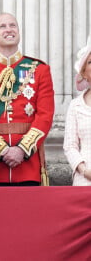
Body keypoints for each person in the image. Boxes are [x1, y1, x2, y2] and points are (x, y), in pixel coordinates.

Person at [0, 13, 55, 186]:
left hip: (28, 163)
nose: (9, 30)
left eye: (12, 25)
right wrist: (2, 149)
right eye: (3, 26)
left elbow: (45, 115)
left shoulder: (39, 70)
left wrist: (22, 149)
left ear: (19, 31)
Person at [64, 35, 91, 186]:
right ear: (83, 72)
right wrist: (85, 171)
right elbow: (70, 146)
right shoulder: (75, 105)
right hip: (84, 181)